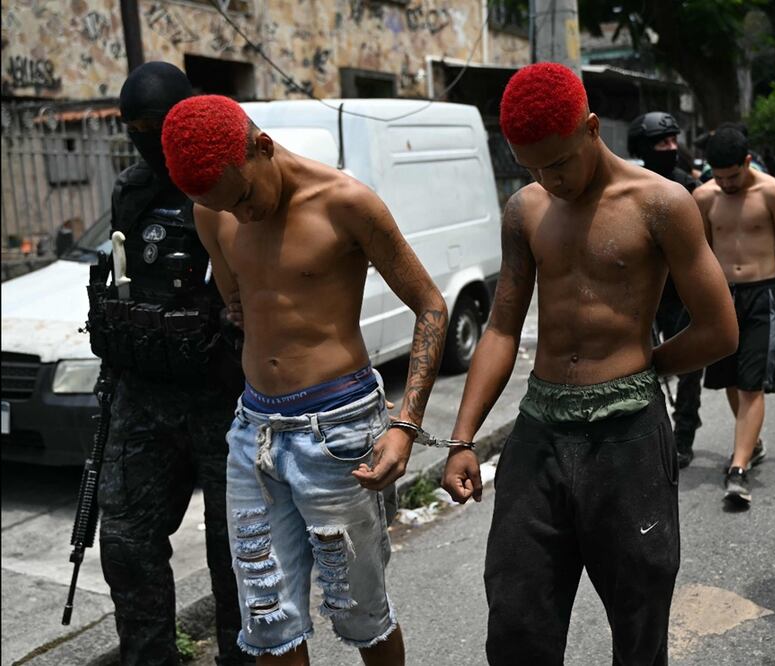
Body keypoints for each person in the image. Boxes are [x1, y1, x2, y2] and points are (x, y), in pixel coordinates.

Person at [440, 63, 738, 664]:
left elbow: (719, 329)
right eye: (532, 167)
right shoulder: (526, 209)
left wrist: (649, 365)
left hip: (627, 435)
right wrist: (462, 436)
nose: (547, 179)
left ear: (592, 128)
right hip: (541, 429)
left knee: (640, 610)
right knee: (517, 609)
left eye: (558, 162)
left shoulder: (661, 203)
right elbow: (501, 325)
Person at [161, 95, 449, 664]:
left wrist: (406, 424)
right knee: (267, 618)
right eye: (223, 207)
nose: (239, 215)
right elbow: (237, 295)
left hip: (337, 429)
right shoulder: (212, 209)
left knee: (360, 609)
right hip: (253, 432)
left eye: (244, 196)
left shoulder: (347, 203)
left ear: (262, 147)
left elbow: (431, 308)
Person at [85, 62, 250, 666]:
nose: (145, 141)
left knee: (235, 552)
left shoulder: (226, 185)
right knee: (126, 546)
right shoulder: (131, 190)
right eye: (131, 128)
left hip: (222, 400)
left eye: (154, 126)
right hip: (142, 397)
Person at [695, 125, 775, 506]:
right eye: (719, 177)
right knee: (730, 378)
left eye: (733, 176)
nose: (726, 184)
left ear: (748, 162)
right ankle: (751, 443)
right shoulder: (703, 197)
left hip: (762, 292)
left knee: (752, 381)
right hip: (721, 296)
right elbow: (701, 247)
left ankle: (737, 468)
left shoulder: (774, 192)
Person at [628, 111, 705, 467]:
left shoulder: (687, 189)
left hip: (681, 294)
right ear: (645, 147)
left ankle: (684, 434)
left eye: (675, 141)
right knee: (637, 363)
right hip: (639, 293)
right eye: (663, 142)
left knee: (689, 369)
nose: (671, 148)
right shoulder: (628, 188)